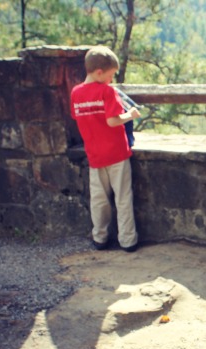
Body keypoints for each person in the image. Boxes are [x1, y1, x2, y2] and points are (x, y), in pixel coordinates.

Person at [70, 46, 140, 252]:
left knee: (99, 200)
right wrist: (131, 115)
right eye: (110, 76)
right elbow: (112, 121)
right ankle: (127, 240)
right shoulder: (107, 92)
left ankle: (99, 237)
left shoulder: (76, 93)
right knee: (123, 198)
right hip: (117, 153)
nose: (111, 80)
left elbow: (78, 118)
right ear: (99, 73)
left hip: (94, 155)